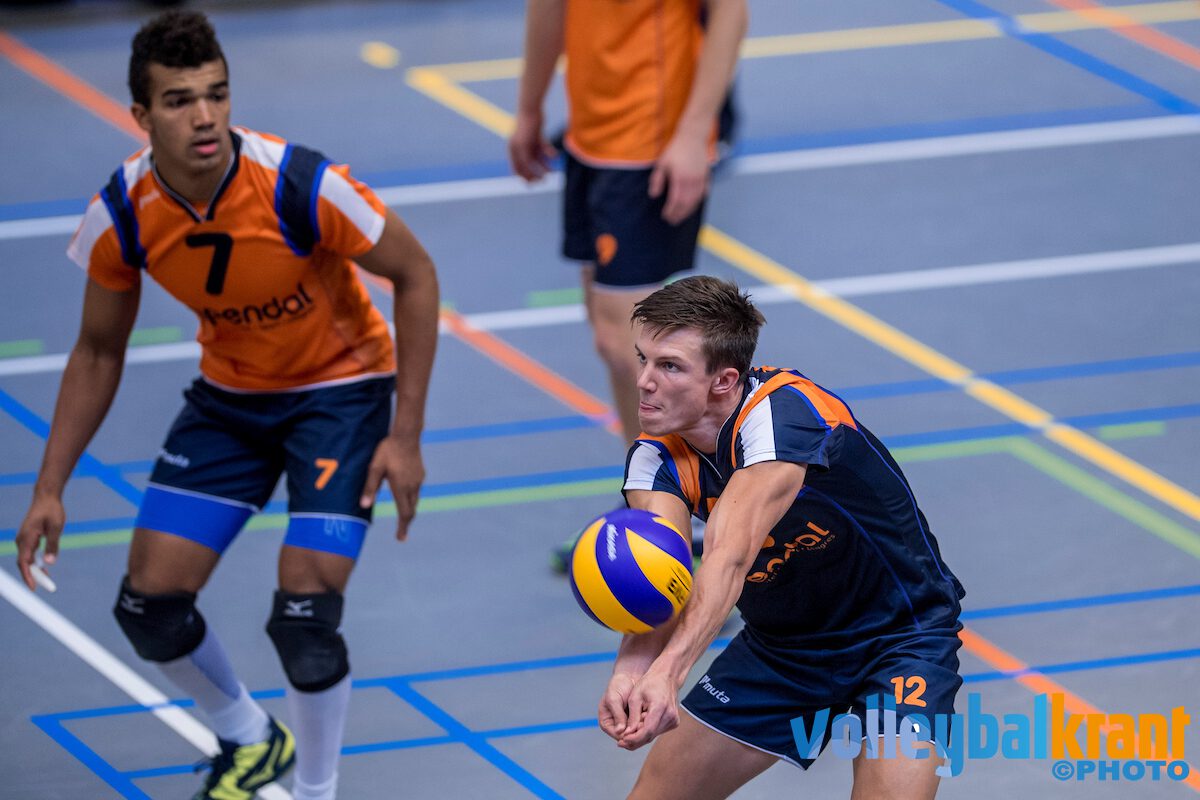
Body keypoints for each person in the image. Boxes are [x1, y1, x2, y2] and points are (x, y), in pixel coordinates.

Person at [14, 11, 439, 800]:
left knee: (304, 623)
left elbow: (416, 275)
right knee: (149, 607)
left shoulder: (300, 184)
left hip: (341, 395)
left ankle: (315, 792)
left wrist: (404, 435)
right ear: (142, 116)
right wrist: (49, 488)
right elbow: (98, 351)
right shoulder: (124, 212)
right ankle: (250, 737)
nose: (205, 116)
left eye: (216, 94)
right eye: (179, 101)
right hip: (232, 401)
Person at [601, 276, 966, 799]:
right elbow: (663, 578)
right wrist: (631, 671)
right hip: (783, 650)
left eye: (670, 366)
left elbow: (727, 558)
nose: (643, 381)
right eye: (643, 359)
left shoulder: (784, 417)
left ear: (724, 381)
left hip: (899, 637)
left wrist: (669, 674)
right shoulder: (653, 459)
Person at [508, 0, 747, 445]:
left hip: (650, 142)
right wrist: (529, 106)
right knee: (611, 335)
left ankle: (704, 476)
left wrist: (693, 134)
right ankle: (649, 478)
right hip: (589, 138)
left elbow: (730, 11)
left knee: (629, 343)